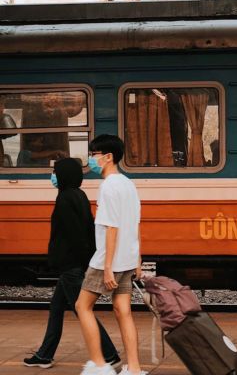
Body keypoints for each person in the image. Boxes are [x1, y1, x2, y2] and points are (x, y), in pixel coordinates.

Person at [23, 158, 121, 369]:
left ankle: (109, 353)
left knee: (81, 309)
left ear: (64, 174)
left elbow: (74, 235)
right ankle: (44, 355)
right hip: (75, 264)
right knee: (56, 307)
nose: (53, 176)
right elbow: (87, 230)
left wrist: (75, 262)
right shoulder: (79, 195)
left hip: (70, 265)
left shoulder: (65, 199)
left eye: (56, 172)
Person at [75, 135, 146, 375]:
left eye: (94, 154)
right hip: (126, 258)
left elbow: (111, 227)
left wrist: (106, 267)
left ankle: (99, 364)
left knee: (82, 306)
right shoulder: (128, 184)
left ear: (108, 157)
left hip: (108, 259)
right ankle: (134, 369)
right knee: (122, 311)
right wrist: (137, 259)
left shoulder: (107, 186)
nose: (91, 159)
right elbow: (136, 223)